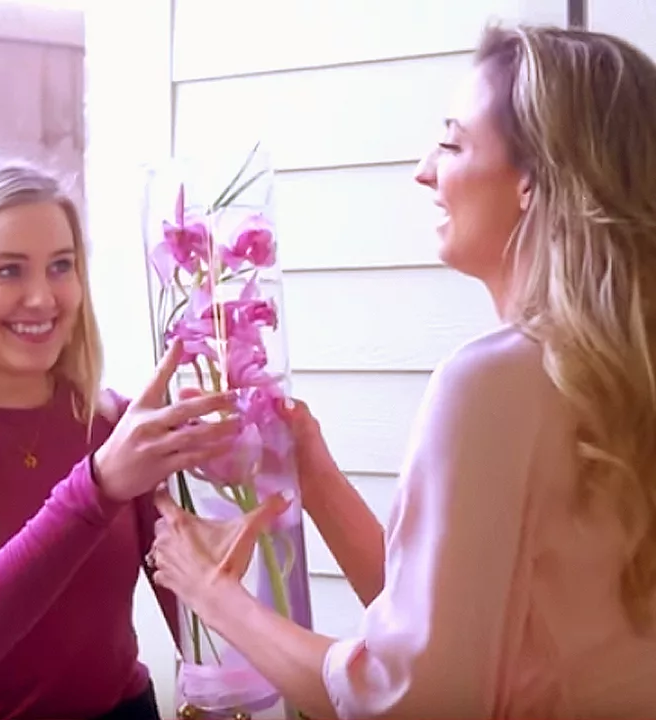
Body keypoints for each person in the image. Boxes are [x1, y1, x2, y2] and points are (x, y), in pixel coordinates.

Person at [147, 23, 656, 718]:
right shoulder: (616, 374)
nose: (424, 171)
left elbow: (405, 698)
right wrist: (315, 475)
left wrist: (209, 591)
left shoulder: (492, 385)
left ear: (535, 180)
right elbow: (455, 625)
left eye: (451, 143)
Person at [0, 148, 240, 720]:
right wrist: (97, 487)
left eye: (61, 265)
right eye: (8, 270)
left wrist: (231, 498)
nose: (44, 297)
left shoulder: (113, 426)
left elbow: (203, 629)